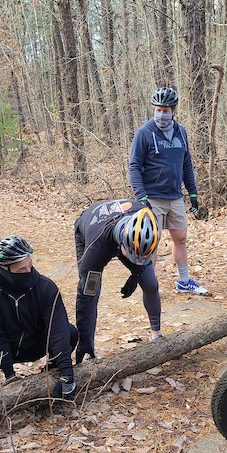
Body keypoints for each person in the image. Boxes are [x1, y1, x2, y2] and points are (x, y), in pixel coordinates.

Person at [0, 236, 78, 398]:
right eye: (21, 270)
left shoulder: (46, 287)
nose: (28, 272)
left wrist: (67, 375)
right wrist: (10, 376)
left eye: (30, 265)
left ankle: (51, 372)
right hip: (0, 350)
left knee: (70, 332)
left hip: (35, 344)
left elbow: (58, 331)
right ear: (4, 269)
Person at [128, 86, 208, 296]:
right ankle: (149, 285)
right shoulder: (144, 133)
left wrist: (192, 192)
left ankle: (183, 281)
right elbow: (134, 166)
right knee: (152, 243)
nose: (161, 114)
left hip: (175, 196)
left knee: (180, 238)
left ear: (173, 110)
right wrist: (141, 196)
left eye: (166, 110)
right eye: (158, 109)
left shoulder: (181, 132)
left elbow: (186, 163)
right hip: (152, 197)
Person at [74, 199, 162, 362]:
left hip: (127, 233)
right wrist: (83, 344)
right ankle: (87, 348)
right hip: (92, 230)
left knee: (150, 283)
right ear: (121, 244)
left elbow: (140, 255)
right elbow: (85, 297)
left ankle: (157, 335)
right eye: (132, 256)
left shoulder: (150, 223)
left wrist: (136, 275)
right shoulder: (95, 249)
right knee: (90, 291)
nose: (137, 261)